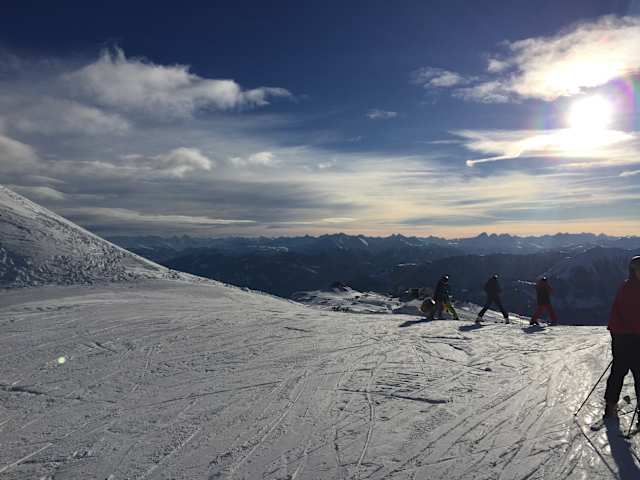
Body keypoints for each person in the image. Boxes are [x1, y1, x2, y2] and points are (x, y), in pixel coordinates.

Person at [603, 256, 640, 419]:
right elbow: (631, 316)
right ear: (633, 271)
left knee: (618, 371)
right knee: (629, 371)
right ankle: (611, 405)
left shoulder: (627, 286)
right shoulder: (631, 289)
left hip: (621, 335)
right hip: (627, 337)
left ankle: (610, 406)